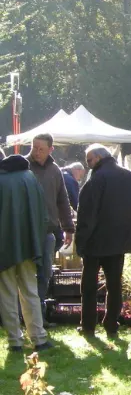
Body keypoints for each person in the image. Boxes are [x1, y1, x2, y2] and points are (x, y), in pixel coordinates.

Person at [75, 144, 131, 337]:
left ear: (99, 158)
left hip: (95, 241)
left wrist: (81, 242)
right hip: (119, 239)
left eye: (90, 160)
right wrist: (127, 213)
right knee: (114, 285)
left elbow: (87, 214)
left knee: (89, 287)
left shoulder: (96, 179)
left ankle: (88, 326)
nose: (89, 164)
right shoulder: (129, 176)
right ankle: (111, 324)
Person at [0, 149, 52, 353]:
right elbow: (41, 211)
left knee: (7, 293)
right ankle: (38, 338)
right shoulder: (29, 176)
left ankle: (15, 340)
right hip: (30, 245)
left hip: (4, 247)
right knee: (31, 291)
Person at [28, 134, 75, 315]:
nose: (36, 152)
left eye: (41, 149)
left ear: (50, 149)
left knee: (44, 273)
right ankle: (23, 313)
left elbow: (63, 199)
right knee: (25, 274)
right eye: (34, 147)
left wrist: (68, 228)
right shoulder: (23, 167)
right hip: (26, 230)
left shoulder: (55, 170)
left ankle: (38, 314)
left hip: (48, 230)